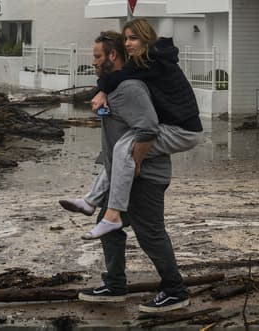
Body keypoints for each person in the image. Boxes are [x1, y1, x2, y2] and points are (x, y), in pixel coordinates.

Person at [76, 30, 190, 313]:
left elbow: (148, 129)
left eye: (97, 56)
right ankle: (114, 286)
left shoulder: (130, 88)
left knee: (150, 233)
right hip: (126, 176)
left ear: (112, 56)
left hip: (145, 176)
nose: (93, 62)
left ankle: (175, 291)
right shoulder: (116, 85)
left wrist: (136, 163)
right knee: (109, 227)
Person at [60, 18, 203, 240]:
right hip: (172, 125)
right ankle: (91, 202)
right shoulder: (146, 60)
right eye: (126, 38)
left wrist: (101, 91)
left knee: (123, 151)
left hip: (184, 131)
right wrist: (103, 91)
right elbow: (116, 78)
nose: (128, 43)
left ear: (146, 39)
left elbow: (118, 78)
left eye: (133, 38)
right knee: (120, 150)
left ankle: (112, 215)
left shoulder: (153, 61)